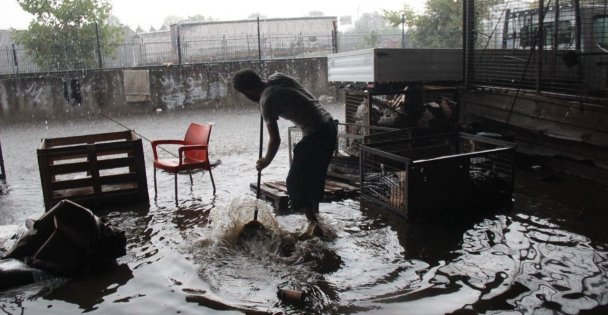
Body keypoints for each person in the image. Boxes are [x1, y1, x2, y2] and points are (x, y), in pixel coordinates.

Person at [232, 69, 337, 226]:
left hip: (316, 134)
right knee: (314, 179)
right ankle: (317, 221)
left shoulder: (266, 101)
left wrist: (266, 160)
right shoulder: (278, 77)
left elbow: (275, 140)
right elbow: (292, 97)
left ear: (246, 91)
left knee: (295, 183)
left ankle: (314, 224)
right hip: (329, 126)